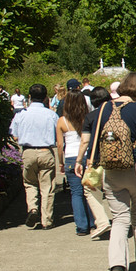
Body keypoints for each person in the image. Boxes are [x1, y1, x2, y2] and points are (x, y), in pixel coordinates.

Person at [75, 72, 136, 271]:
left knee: (120, 219)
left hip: (112, 170)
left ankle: (117, 265)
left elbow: (95, 140)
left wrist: (88, 163)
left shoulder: (103, 109)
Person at [10, 83, 59, 229]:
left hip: (28, 152)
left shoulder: (21, 115)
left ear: (29, 97)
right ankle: (47, 220)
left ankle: (33, 208)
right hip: (46, 151)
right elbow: (58, 135)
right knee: (47, 187)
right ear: (45, 98)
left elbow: (14, 136)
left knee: (30, 183)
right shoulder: (51, 115)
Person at [56, 91, 95, 236]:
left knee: (76, 193)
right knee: (89, 191)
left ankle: (81, 226)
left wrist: (61, 163)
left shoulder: (62, 121)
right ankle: (93, 222)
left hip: (71, 158)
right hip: (87, 156)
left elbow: (60, 145)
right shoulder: (89, 118)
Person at [80, 86, 114, 240]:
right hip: (119, 158)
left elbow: (85, 140)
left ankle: (101, 221)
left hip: (99, 159)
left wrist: (79, 160)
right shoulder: (118, 114)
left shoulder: (91, 116)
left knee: (90, 188)